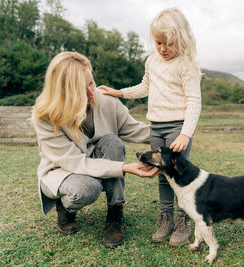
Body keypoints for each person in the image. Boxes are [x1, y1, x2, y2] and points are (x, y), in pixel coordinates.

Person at [32, 51, 159, 249]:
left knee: (112, 141)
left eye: (91, 82)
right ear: (64, 92)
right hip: (62, 171)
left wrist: (173, 131)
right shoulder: (46, 117)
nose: (93, 93)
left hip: (97, 163)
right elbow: (76, 163)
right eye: (83, 90)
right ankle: (65, 208)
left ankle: (115, 212)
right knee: (85, 189)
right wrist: (124, 168)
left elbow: (134, 129)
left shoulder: (106, 100)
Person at [99, 7, 202, 247]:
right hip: (156, 127)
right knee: (161, 175)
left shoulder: (187, 64)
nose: (163, 49)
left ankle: (182, 220)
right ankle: (165, 218)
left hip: (178, 127)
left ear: (182, 40)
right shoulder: (152, 61)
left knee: (179, 175)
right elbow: (145, 87)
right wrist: (119, 92)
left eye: (169, 44)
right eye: (158, 43)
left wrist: (186, 133)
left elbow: (194, 101)